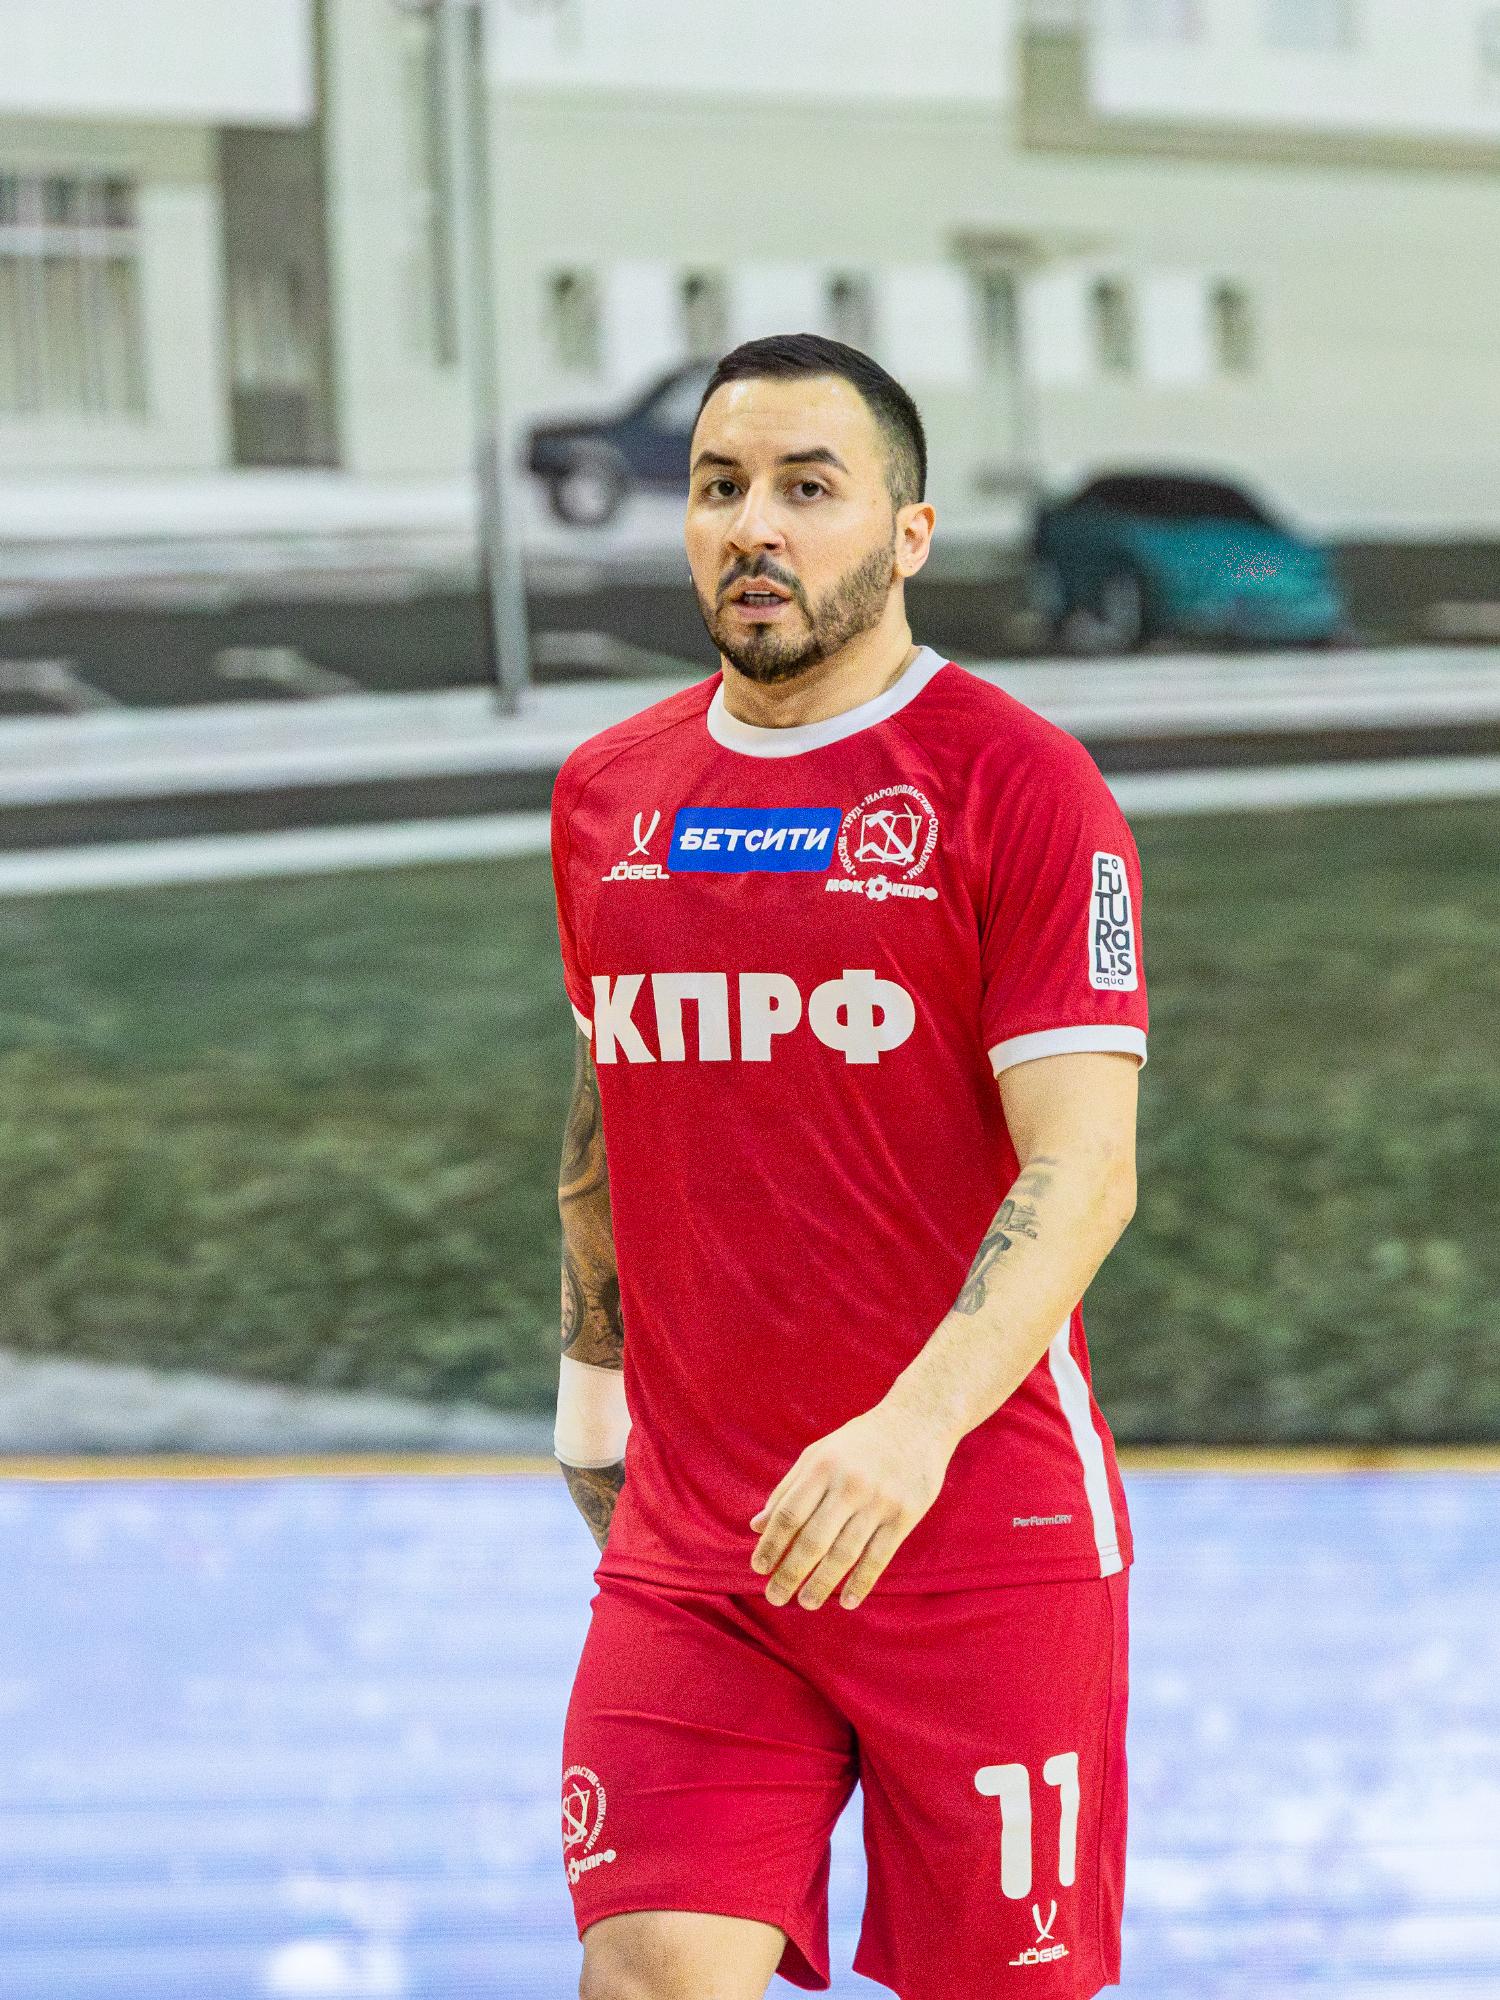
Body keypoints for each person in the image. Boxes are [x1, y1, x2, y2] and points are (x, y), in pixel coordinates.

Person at [549, 333, 1147, 2000]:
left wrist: (910, 1429)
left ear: (908, 533)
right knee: (649, 1972)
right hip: (703, 1553)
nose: (756, 525)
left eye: (809, 489)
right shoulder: (607, 798)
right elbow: (609, 1103)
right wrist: (593, 1383)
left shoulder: (1021, 787)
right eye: (720, 487)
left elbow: (1085, 1170)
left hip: (979, 1534)